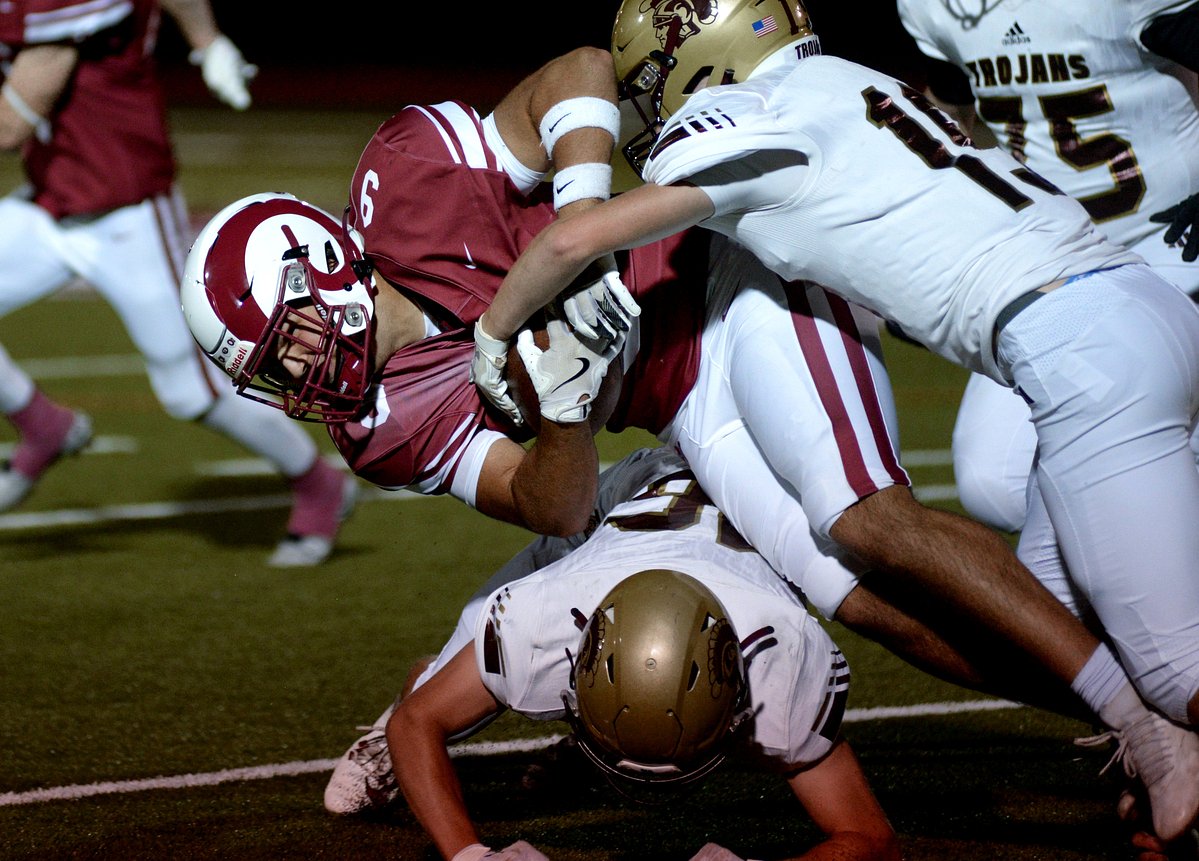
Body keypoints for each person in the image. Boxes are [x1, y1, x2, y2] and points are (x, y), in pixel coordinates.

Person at [180, 45, 1199, 843]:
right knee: (860, 600)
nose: (295, 381)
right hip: (679, 407)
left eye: (288, 343)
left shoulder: (406, 176)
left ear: (317, 264)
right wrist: (568, 408)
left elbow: (579, 72)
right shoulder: (379, 427)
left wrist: (577, 217)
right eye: (269, 372)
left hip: (731, 277)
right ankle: (1126, 701)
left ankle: (1146, 721)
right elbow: (557, 511)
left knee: (863, 517)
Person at [469, 0, 1199, 843]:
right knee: (1063, 627)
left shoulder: (739, 119)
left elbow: (573, 244)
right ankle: (1156, 757)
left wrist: (492, 336)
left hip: (1079, 349)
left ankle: (1163, 739)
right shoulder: (846, 78)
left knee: (1174, 675)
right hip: (1132, 307)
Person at [322, 446, 901, 861]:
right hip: (625, 498)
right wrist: (468, 854)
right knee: (430, 690)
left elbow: (874, 842)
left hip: (765, 503)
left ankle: (593, 743)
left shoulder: (779, 657)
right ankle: (442, 677)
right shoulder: (541, 620)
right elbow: (417, 721)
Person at [0, 0, 356, 566]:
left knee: (190, 393)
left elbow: (13, 122)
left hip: (128, 213)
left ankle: (317, 482)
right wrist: (206, 39)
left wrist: (207, 41)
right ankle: (42, 426)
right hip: (50, 203)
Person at [893, 0, 1199, 534]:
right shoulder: (932, 8)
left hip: (1174, 248)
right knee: (997, 482)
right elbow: (950, 123)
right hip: (1056, 264)